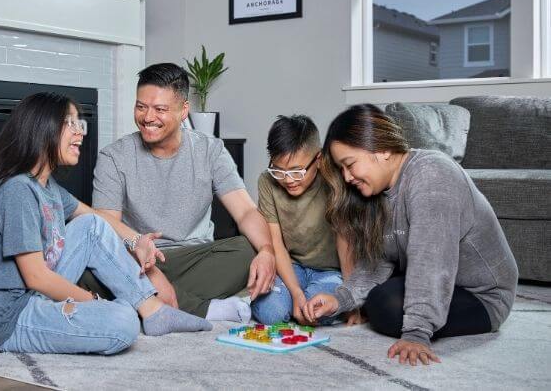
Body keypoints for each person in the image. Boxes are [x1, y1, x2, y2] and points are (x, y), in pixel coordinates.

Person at [0, 92, 211, 355]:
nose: (80, 133)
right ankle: (137, 311)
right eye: (70, 123)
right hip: (6, 320)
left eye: (80, 124)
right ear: (43, 128)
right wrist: (91, 302)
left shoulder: (45, 186)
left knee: (91, 226)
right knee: (123, 323)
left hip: (29, 295)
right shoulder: (17, 190)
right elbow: (36, 276)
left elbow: (96, 218)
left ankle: (152, 311)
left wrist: (137, 241)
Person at [304, 104, 518, 366]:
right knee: (379, 298)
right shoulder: (378, 193)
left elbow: (431, 261)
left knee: (385, 305)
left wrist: (417, 333)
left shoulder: (432, 175)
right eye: (341, 170)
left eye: (349, 165)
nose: (347, 178)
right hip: (444, 282)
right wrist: (340, 299)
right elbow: (379, 261)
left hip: (483, 296)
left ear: (381, 150)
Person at [84, 63, 276, 322]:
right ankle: (206, 309)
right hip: (139, 259)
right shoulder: (114, 156)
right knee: (86, 267)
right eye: (141, 107)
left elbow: (245, 212)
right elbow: (107, 227)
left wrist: (266, 250)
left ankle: (144, 302)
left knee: (246, 250)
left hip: (194, 257)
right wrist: (151, 271)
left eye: (160, 109)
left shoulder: (211, 150)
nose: (148, 117)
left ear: (184, 110)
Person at [251, 115, 360, 326]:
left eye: (296, 171)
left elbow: (345, 243)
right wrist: (295, 292)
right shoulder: (267, 181)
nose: (288, 180)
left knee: (316, 309)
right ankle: (294, 300)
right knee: (269, 313)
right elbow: (276, 244)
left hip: (331, 271)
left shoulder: (335, 180)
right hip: (292, 267)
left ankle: (305, 302)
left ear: (318, 159)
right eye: (279, 170)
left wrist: (351, 300)